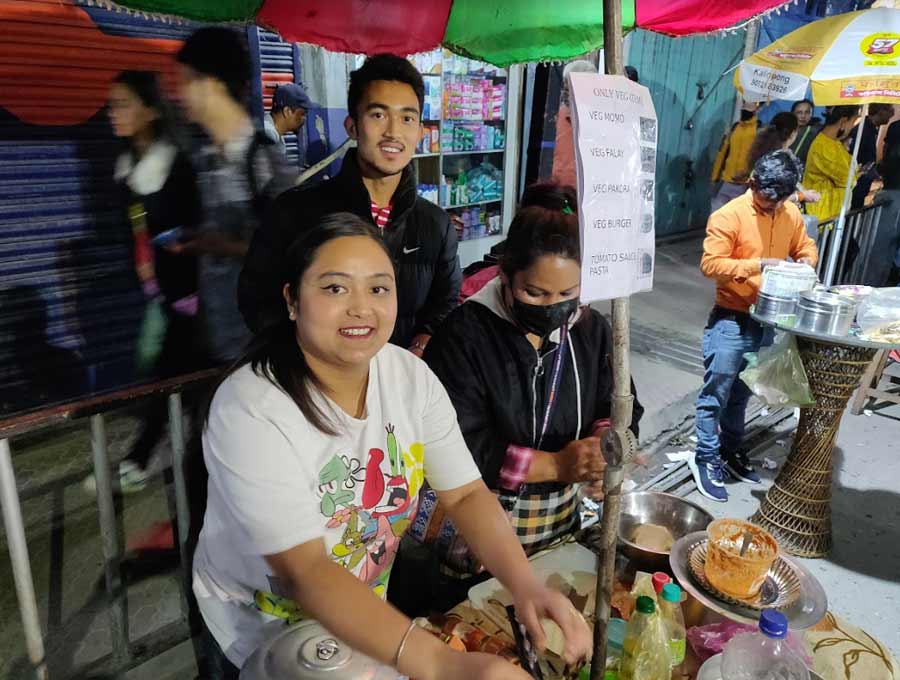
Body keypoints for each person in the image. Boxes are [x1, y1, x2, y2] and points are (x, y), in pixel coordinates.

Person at [193, 213, 592, 678]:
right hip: (259, 626)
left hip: (361, 615)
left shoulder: (409, 378)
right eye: (335, 288)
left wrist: (526, 586)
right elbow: (307, 571)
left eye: (379, 288)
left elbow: (464, 494)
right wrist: (442, 664)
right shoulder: (250, 409)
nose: (361, 308)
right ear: (292, 300)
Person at [395, 191, 644, 613]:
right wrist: (558, 465)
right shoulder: (464, 335)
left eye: (569, 292)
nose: (554, 307)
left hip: (558, 520)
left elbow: (621, 405)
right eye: (535, 293)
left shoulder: (592, 329)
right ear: (506, 276)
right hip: (476, 524)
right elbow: (458, 444)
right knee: (477, 620)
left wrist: (604, 454)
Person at [239, 54, 461, 355]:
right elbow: (258, 301)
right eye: (378, 115)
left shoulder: (435, 224)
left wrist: (424, 339)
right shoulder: (295, 212)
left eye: (407, 118)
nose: (393, 133)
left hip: (398, 388)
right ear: (352, 126)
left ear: (420, 132)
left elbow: (446, 301)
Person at [87, 70, 203, 493]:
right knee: (168, 374)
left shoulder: (178, 165)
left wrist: (191, 281)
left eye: (122, 104)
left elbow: (202, 231)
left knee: (170, 376)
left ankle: (142, 458)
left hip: (192, 296)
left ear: (151, 110)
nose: (112, 113)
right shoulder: (128, 169)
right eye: (111, 105)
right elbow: (136, 230)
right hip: (159, 293)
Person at [692, 151, 818, 502]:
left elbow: (805, 247)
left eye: (780, 200)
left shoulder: (790, 212)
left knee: (743, 392)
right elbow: (710, 263)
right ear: (753, 183)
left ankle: (731, 450)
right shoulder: (728, 216)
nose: (772, 207)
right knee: (716, 391)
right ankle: (705, 456)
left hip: (767, 319)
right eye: (766, 200)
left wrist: (805, 264)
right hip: (731, 316)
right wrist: (758, 264)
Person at [174, 27, 296, 366]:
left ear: (211, 85)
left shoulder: (264, 161)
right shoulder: (204, 159)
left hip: (259, 351)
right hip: (218, 343)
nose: (179, 94)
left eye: (185, 82)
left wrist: (221, 245)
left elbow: (293, 249)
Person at [803, 105, 861, 223]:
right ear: (843, 121)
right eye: (853, 122)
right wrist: (854, 174)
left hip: (833, 214)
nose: (852, 127)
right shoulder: (824, 147)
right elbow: (848, 179)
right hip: (822, 215)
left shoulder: (835, 144)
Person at [552, 59, 597, 189]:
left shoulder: (601, 124)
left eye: (570, 89)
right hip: (557, 197)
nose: (566, 94)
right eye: (565, 89)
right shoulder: (558, 116)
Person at [710, 101, 760, 211]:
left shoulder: (759, 130)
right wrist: (714, 177)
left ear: (757, 108)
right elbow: (722, 152)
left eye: (750, 105)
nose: (746, 107)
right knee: (716, 216)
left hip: (745, 185)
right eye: (744, 104)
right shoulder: (735, 127)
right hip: (726, 181)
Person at [848, 103, 895, 208]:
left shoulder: (871, 129)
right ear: (880, 111)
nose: (892, 113)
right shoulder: (863, 130)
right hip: (855, 184)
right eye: (889, 109)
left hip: (861, 183)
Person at [263, 83, 313, 156]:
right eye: (302, 114)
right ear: (287, 112)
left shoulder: (274, 133)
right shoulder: (268, 135)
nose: (304, 119)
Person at [788, 99, 821, 165]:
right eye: (799, 112)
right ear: (792, 113)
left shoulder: (815, 133)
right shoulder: (784, 130)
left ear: (812, 114)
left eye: (807, 112)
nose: (803, 116)